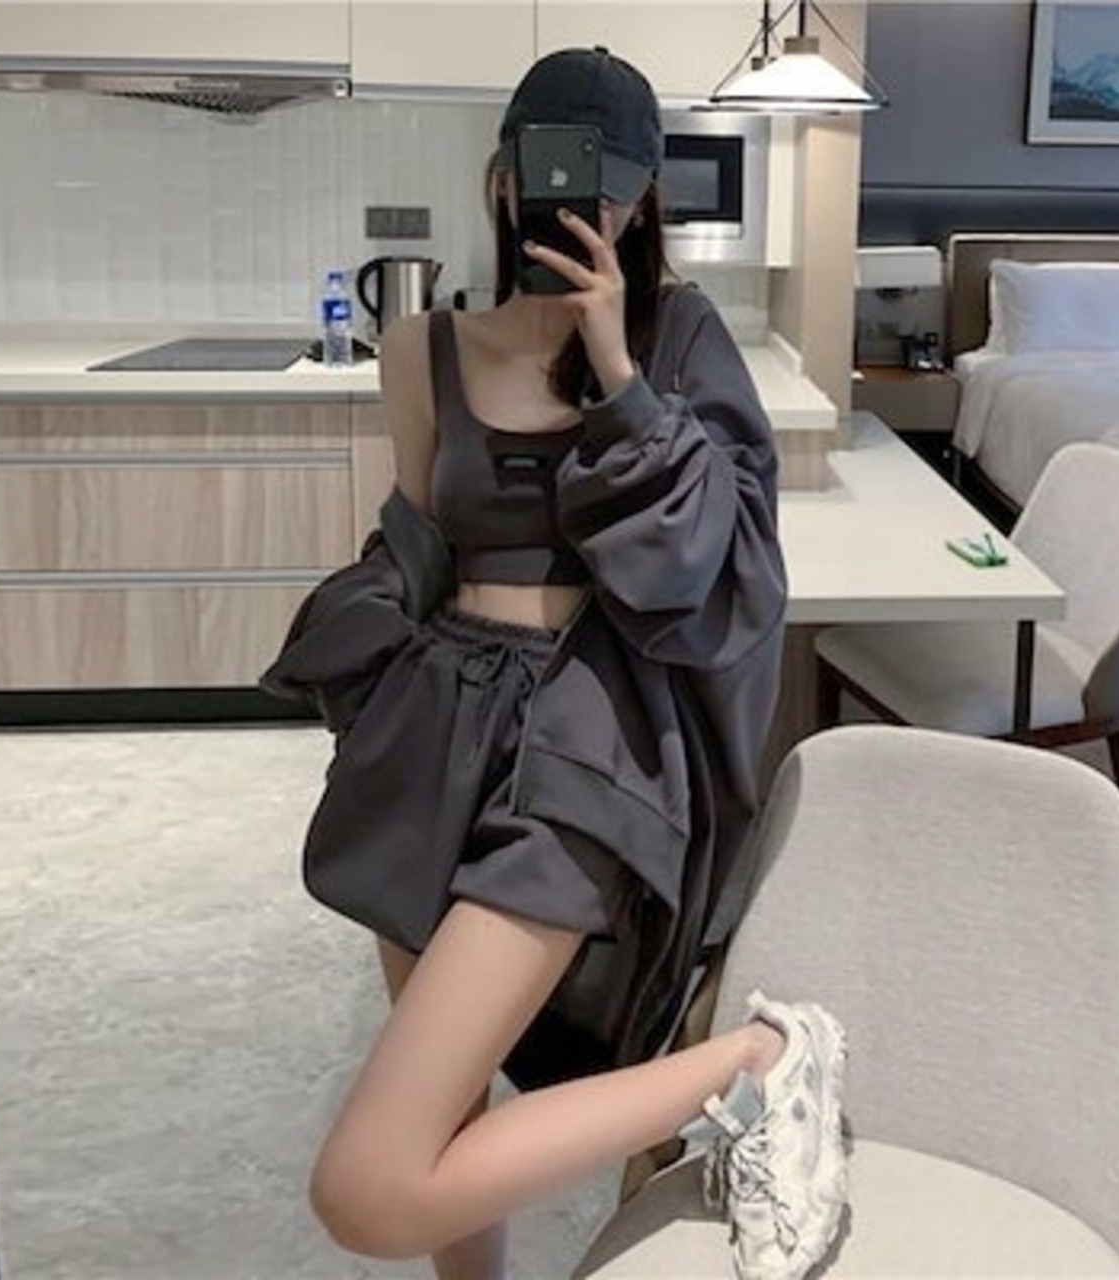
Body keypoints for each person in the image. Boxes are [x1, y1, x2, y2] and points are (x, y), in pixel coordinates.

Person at [262, 47, 847, 1280]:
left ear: (642, 202)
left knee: (369, 1184)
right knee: (443, 1101)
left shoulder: (678, 339)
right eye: (562, 177)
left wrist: (617, 372)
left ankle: (759, 1058)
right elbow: (415, 545)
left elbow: (721, 564)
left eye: (616, 187)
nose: (592, 206)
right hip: (437, 726)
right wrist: (359, 670)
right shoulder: (421, 345)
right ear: (502, 179)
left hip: (588, 738)